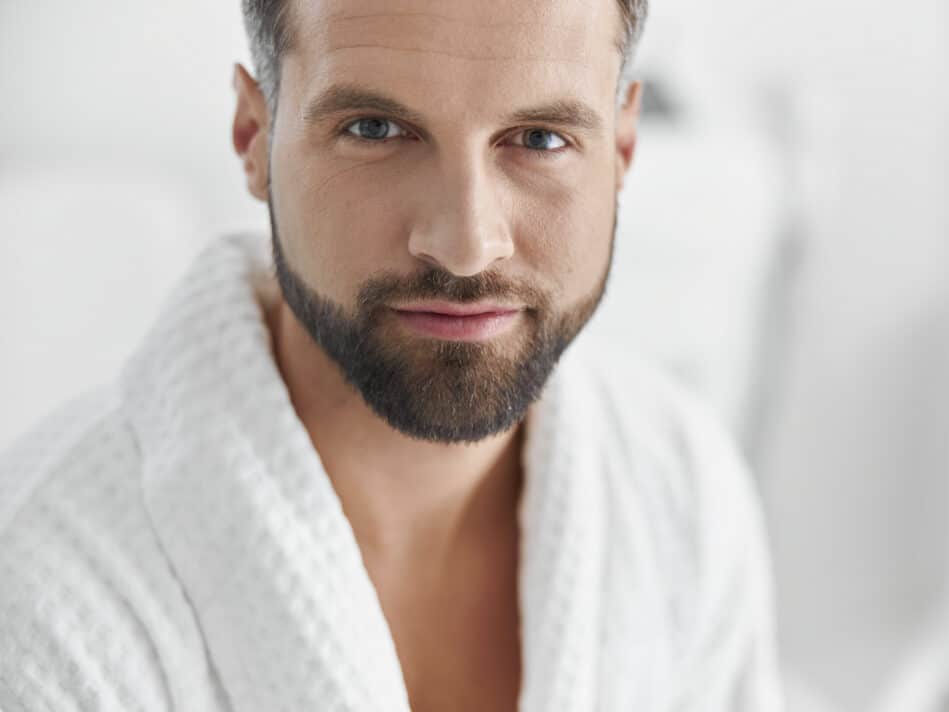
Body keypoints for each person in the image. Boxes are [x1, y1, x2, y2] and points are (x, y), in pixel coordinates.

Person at [0, 0, 784, 709]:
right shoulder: (42, 605)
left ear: (620, 150)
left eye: (540, 139)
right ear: (252, 137)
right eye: (375, 130)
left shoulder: (680, 487)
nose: (467, 244)